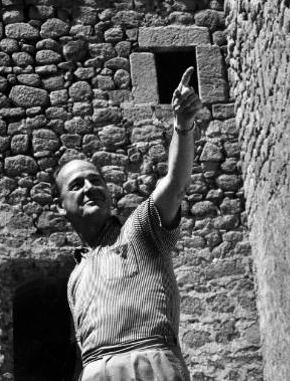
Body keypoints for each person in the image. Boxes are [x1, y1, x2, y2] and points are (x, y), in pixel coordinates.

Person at [54, 67, 201, 381]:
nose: (89, 187)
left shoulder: (140, 231)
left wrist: (183, 125)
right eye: (76, 185)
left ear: (109, 193)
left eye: (95, 180)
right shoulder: (76, 275)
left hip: (150, 364)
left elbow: (174, 182)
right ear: (62, 208)